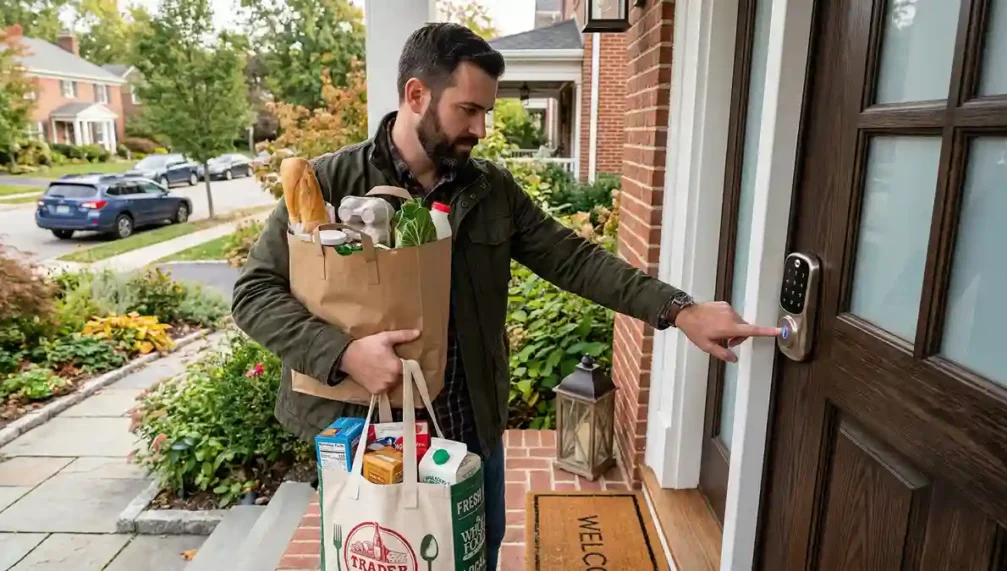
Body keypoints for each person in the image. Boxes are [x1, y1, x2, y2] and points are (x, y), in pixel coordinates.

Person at [232, 22, 780, 571]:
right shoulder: (328, 183)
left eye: (486, 112)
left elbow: (573, 257)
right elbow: (254, 293)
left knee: (475, 555)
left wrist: (679, 311)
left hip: (468, 430)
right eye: (468, 111)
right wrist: (344, 353)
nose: (483, 129)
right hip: (363, 435)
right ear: (417, 94)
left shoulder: (490, 190)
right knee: (378, 557)